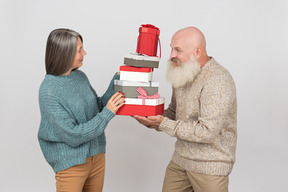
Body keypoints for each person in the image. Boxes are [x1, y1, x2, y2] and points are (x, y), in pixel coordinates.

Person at [133, 27, 237, 192]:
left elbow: (207, 132)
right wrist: (151, 118)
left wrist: (163, 123)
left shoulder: (218, 80)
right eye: (171, 48)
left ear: (197, 51)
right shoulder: (182, 71)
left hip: (210, 166)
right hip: (181, 160)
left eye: (178, 50)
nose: (172, 55)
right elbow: (174, 113)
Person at [38, 28, 125, 192]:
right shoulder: (48, 91)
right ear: (64, 53)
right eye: (79, 50)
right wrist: (108, 113)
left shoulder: (79, 76)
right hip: (71, 164)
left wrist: (118, 80)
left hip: (97, 157)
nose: (84, 53)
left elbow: (97, 108)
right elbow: (73, 135)